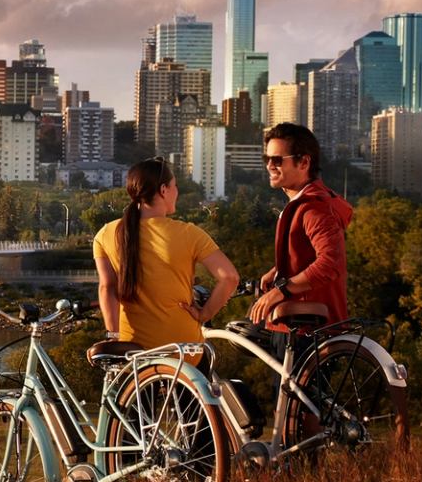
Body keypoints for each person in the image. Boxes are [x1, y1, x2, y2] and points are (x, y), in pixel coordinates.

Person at [92, 158, 240, 349]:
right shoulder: (189, 233)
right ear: (163, 190)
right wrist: (204, 314)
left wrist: (113, 336)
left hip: (133, 357)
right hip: (183, 354)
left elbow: (107, 288)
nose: (176, 191)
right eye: (175, 186)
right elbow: (230, 277)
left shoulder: (106, 234)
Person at [252, 122, 353, 328]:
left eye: (277, 160)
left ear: (304, 162)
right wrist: (280, 269)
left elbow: (330, 263)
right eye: (267, 159)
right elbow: (310, 254)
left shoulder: (314, 209)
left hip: (306, 329)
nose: (270, 166)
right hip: (299, 323)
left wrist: (281, 291)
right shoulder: (303, 203)